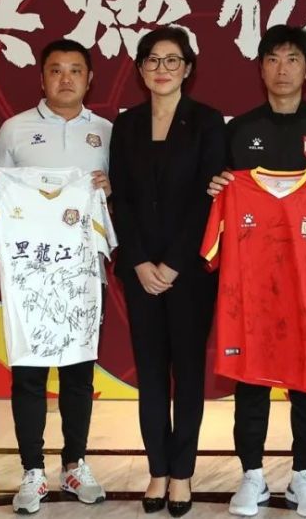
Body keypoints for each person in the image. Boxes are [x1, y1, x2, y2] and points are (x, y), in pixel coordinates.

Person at [208, 24, 306, 518]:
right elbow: (218, 193)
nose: (282, 69)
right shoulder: (239, 130)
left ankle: (302, 476)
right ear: (260, 69)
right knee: (251, 380)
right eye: (272, 59)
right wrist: (217, 188)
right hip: (254, 287)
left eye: (293, 59)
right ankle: (251, 475)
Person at [0, 38, 112, 514]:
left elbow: (123, 198)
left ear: (90, 79)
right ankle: (32, 470)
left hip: (83, 276)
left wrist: (110, 188)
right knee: (28, 377)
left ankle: (75, 463)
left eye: (75, 70)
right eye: (56, 70)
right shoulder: (14, 130)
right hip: (29, 279)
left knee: (79, 374)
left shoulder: (106, 132)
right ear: (41, 78)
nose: (65, 78)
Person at [109, 26, 226, 517]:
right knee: (152, 373)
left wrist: (174, 264)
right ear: (140, 69)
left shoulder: (207, 122)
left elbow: (209, 198)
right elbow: (120, 197)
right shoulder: (126, 125)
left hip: (190, 271)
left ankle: (182, 474)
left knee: (188, 373)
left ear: (188, 69)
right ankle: (157, 469)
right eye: (153, 60)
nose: (162, 69)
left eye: (172, 60)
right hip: (139, 271)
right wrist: (138, 261)